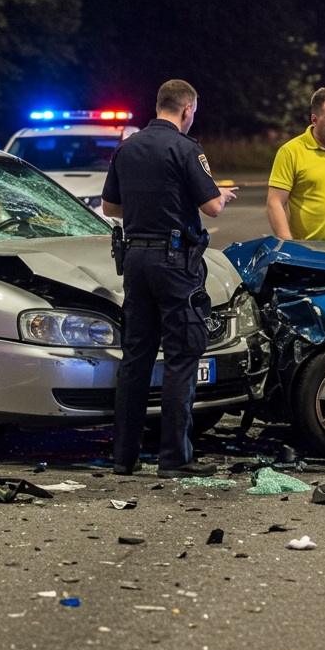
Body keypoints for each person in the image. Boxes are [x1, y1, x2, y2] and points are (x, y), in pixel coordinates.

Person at [101, 80, 237, 479]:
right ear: (188, 108)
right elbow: (211, 207)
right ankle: (174, 458)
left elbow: (111, 206)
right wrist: (222, 196)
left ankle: (123, 458)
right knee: (181, 357)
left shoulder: (127, 147)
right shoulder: (186, 148)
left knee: (137, 358)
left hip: (136, 260)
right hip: (175, 263)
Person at [265, 87, 325, 242]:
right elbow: (275, 203)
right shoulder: (291, 151)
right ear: (314, 119)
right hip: (310, 254)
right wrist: (289, 245)